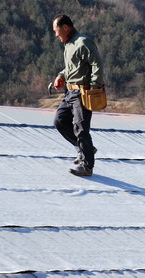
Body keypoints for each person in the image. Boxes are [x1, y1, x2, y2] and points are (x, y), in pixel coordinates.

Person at [52, 14, 104, 176]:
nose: (56, 35)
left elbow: (97, 63)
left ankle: (87, 166)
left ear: (66, 27)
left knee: (81, 128)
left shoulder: (83, 42)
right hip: (70, 91)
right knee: (59, 121)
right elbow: (71, 68)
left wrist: (95, 86)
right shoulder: (68, 45)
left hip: (83, 92)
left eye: (57, 30)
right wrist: (61, 76)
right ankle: (84, 149)